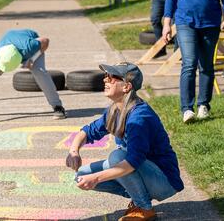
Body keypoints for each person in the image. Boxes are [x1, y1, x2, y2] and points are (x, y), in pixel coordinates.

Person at [66, 63, 183, 221]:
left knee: (117, 157)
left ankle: (144, 208)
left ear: (126, 87)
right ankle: (139, 197)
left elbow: (132, 162)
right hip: (143, 170)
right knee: (81, 175)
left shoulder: (139, 117)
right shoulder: (115, 109)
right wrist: (74, 152)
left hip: (164, 181)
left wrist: (96, 178)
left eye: (112, 77)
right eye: (106, 76)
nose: (105, 80)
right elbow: (86, 132)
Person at [0, 28, 65, 120]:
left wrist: (33, 59)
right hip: (8, 40)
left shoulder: (29, 46)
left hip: (28, 43)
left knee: (40, 72)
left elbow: (46, 41)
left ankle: (58, 106)